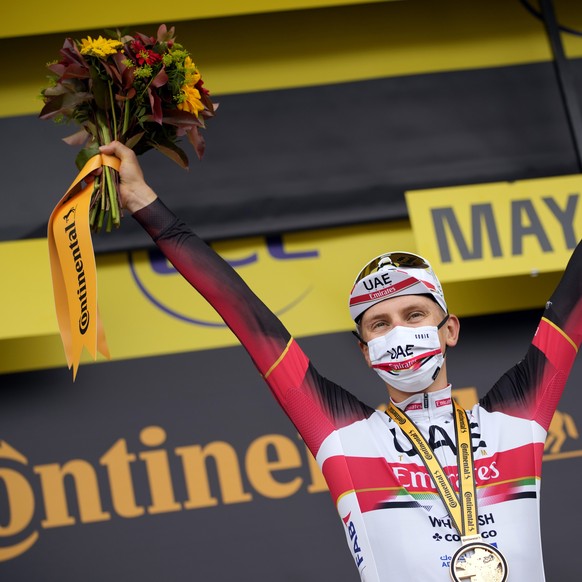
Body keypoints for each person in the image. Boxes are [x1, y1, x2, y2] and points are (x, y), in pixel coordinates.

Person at [98, 141, 582, 581]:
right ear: (365, 350)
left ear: (449, 329)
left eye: (414, 315)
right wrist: (146, 205)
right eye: (380, 324)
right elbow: (247, 317)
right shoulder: (344, 436)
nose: (398, 332)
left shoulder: (515, 422)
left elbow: (573, 297)